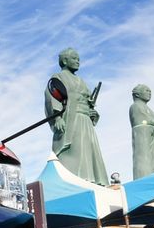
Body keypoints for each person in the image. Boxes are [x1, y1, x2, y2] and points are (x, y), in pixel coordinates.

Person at [44, 47, 109, 186]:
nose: (78, 61)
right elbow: (52, 97)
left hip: (85, 119)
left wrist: (91, 111)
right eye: (74, 58)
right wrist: (57, 117)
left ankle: (93, 179)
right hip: (71, 119)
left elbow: (88, 101)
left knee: (89, 149)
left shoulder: (81, 81)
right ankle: (75, 179)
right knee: (75, 150)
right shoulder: (58, 77)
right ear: (65, 60)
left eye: (79, 59)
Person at [129, 84, 154, 179]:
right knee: (146, 166)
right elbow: (142, 122)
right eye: (146, 90)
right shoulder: (135, 106)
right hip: (146, 142)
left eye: (150, 91)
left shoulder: (146, 108)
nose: (149, 93)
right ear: (137, 94)